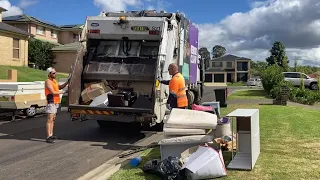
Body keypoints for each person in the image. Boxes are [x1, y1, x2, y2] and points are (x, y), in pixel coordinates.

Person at [45, 67, 69, 143]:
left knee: (53, 119)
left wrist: (67, 82)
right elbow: (53, 92)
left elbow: (60, 87)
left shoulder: (54, 81)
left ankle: (51, 134)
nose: (55, 74)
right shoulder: (48, 82)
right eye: (53, 73)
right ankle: (48, 137)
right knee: (50, 119)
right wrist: (63, 92)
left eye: (55, 72)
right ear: (49, 74)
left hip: (56, 102)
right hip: (51, 102)